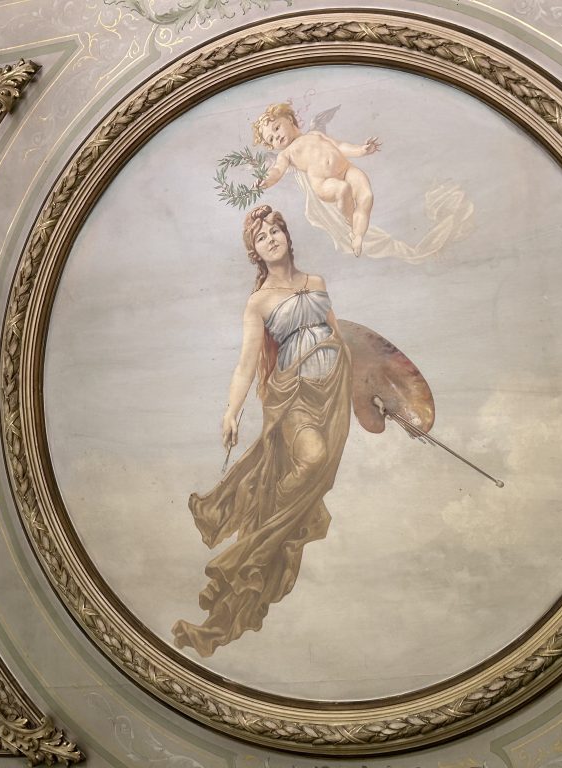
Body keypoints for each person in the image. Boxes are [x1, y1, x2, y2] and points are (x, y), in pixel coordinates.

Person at [172, 205, 352, 657]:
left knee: (319, 471)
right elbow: (246, 365)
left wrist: (373, 394)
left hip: (333, 395)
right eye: (261, 235)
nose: (271, 237)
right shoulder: (259, 302)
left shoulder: (317, 283)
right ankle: (265, 522)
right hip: (293, 397)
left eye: (276, 230)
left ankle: (268, 531)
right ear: (254, 251)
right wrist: (231, 411)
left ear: (288, 236)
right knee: (309, 460)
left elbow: (340, 338)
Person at [253, 102, 380, 256]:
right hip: (324, 182)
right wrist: (266, 181)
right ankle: (350, 220)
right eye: (271, 139)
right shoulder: (286, 154)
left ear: (289, 119)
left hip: (346, 169)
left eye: (277, 128)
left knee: (366, 196)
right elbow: (277, 170)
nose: (277, 136)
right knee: (343, 189)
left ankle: (358, 235)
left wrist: (361, 150)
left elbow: (339, 146)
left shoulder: (314, 134)